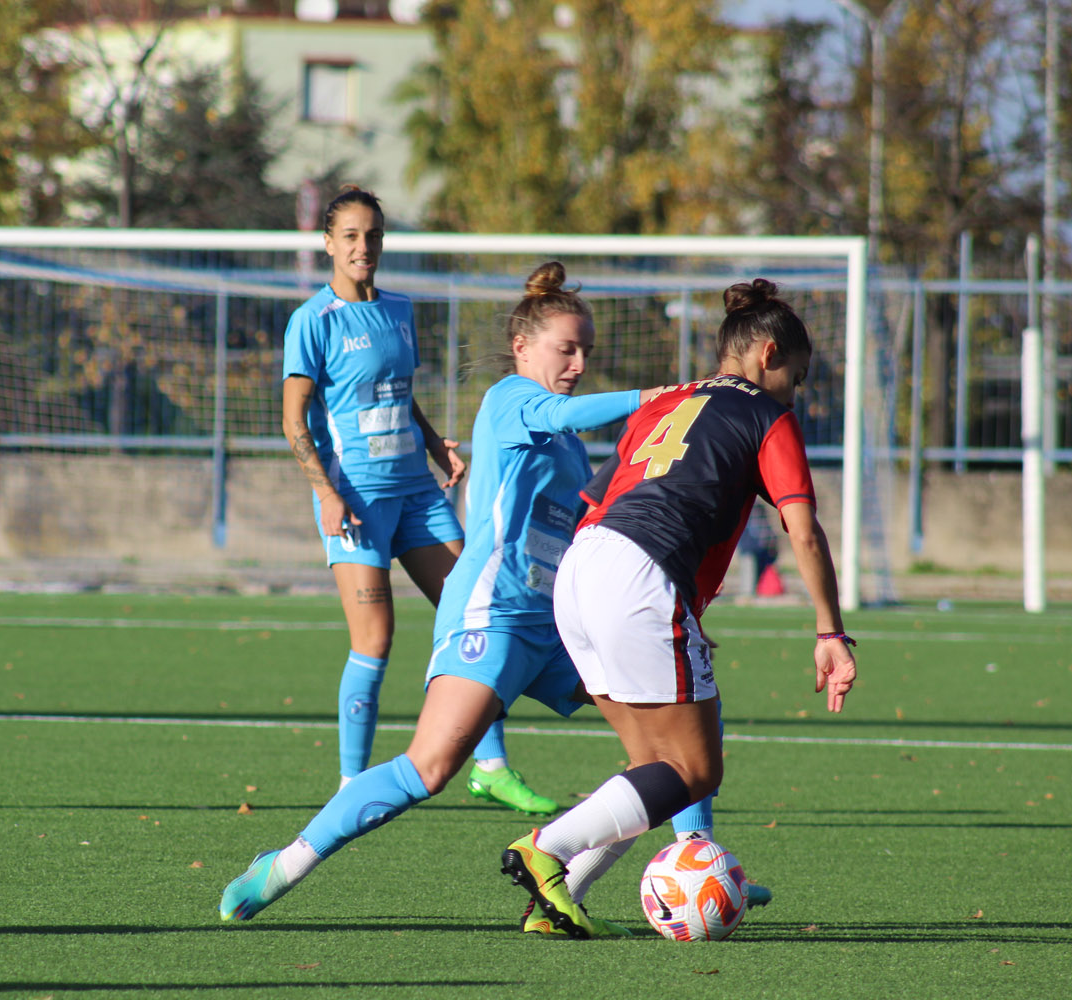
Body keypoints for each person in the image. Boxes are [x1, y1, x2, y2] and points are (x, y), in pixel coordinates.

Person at [223, 261, 655, 927]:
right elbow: (568, 410)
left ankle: (646, 871)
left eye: (586, 352)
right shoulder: (512, 398)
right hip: (493, 615)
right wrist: (659, 397)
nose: (577, 364)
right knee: (428, 769)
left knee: (667, 746)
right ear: (522, 346)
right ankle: (283, 865)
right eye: (566, 349)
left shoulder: (568, 444)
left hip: (553, 629)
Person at [499, 278, 858, 939]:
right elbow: (803, 530)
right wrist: (829, 631)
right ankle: (545, 849)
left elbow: (598, 501)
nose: (796, 394)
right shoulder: (766, 415)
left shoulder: (667, 402)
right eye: (797, 377)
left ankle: (557, 899)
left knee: (653, 769)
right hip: (640, 577)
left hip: (583, 567)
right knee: (696, 772)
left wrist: (670, 609)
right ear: (769, 355)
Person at [281, 185, 557, 814]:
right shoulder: (313, 321)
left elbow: (399, 395)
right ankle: (351, 788)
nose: (363, 247)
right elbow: (294, 419)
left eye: (373, 235)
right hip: (356, 501)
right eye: (350, 236)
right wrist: (324, 491)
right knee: (375, 640)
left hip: (417, 495)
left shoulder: (399, 310)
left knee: (476, 617)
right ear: (328, 243)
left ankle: (491, 767)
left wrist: (436, 446)